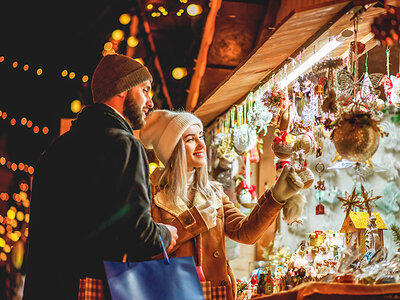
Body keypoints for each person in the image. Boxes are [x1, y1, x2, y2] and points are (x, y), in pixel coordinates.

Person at [23, 55, 178, 299]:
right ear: (122, 90)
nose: (150, 101)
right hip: (94, 289)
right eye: (145, 90)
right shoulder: (124, 145)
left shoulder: (55, 150)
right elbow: (138, 232)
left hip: (47, 289)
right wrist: (166, 233)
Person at [140, 110, 304, 300]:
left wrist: (275, 197)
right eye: (190, 139)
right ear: (173, 148)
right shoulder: (151, 196)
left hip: (215, 292)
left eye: (200, 136)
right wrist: (193, 221)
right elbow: (147, 251)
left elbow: (246, 232)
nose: (201, 144)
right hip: (173, 293)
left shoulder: (214, 193)